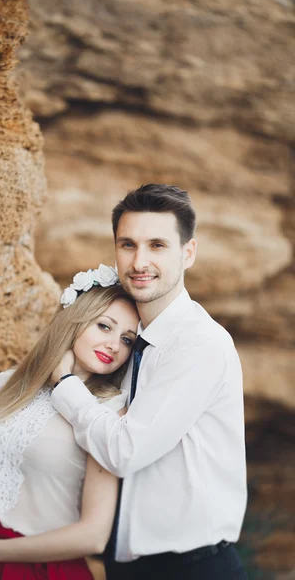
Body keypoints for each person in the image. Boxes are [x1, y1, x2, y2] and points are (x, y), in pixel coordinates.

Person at [50, 184, 248, 580]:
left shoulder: (198, 343)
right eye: (128, 244)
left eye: (157, 245)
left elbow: (125, 451)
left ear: (187, 253)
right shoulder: (123, 343)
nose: (139, 261)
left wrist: (65, 384)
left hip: (192, 567)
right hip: (126, 567)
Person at [0, 269, 139, 580]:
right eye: (104, 326)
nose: (114, 345)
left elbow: (94, 535)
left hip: (41, 569)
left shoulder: (109, 415)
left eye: (127, 340)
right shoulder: (11, 383)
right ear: (73, 320)